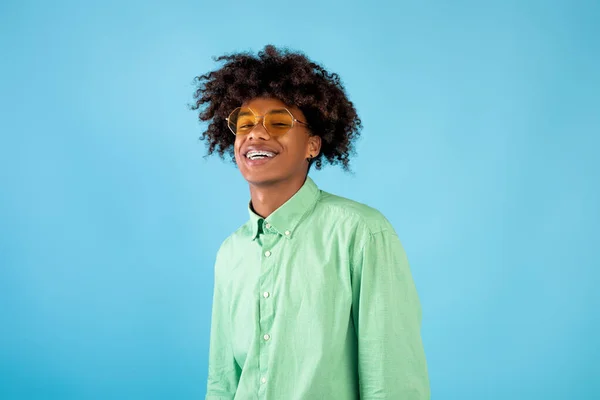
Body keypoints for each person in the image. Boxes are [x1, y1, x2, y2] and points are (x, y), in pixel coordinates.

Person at [190, 45, 430, 399]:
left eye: (279, 122)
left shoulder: (360, 233)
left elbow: (392, 380)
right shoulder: (231, 252)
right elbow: (223, 382)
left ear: (313, 145)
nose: (255, 134)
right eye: (244, 123)